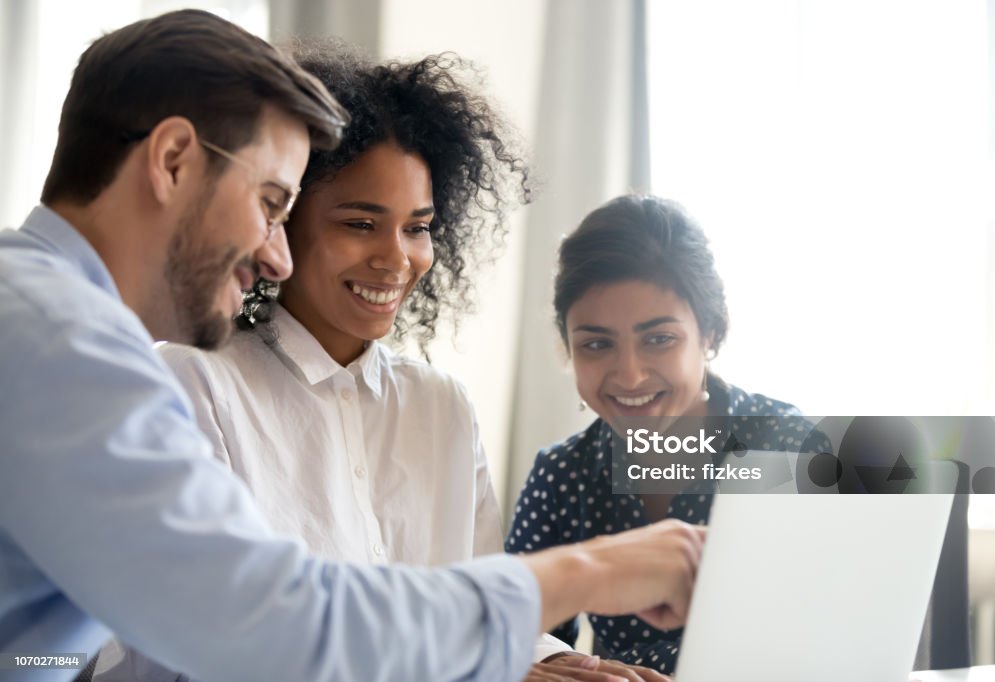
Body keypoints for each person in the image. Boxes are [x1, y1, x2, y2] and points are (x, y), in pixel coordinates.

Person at [0, 12, 704, 682]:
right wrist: (594, 572)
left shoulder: (46, 319)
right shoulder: (71, 346)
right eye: (273, 203)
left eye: (660, 337)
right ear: (174, 160)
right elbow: (273, 625)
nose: (273, 256)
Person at [506, 194, 829, 675]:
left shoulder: (787, 446)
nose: (630, 375)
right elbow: (518, 629)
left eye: (659, 339)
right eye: (596, 344)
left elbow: (828, 633)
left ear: (710, 333)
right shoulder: (561, 473)